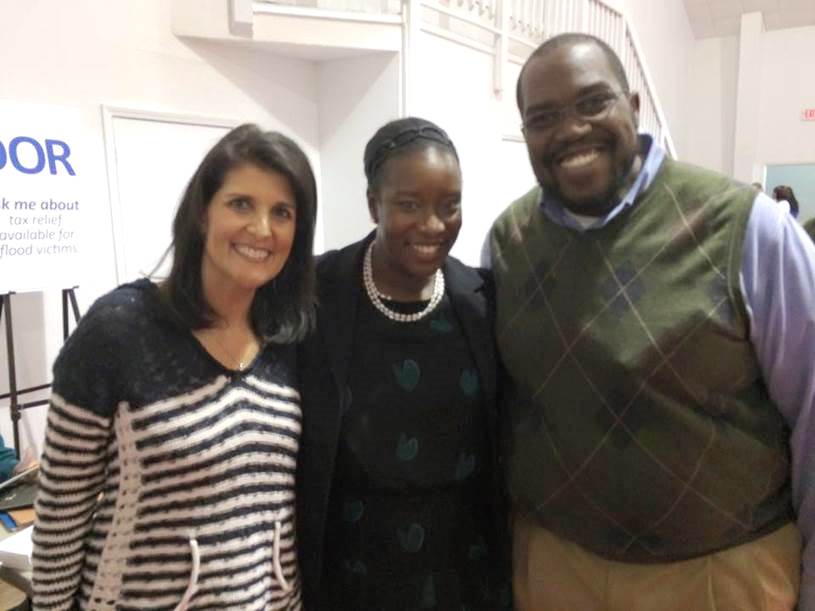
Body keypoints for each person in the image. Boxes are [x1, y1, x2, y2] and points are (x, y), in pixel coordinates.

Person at [486, 33, 815, 610]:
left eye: (593, 103)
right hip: (555, 569)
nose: (570, 130)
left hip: (719, 576)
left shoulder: (745, 228)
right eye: (544, 117)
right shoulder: (508, 243)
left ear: (633, 107)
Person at [31, 123, 318, 610]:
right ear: (203, 214)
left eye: (282, 212)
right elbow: (62, 514)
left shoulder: (290, 338)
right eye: (241, 204)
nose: (262, 229)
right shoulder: (120, 329)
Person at [297, 117, 511, 610]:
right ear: (374, 204)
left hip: (466, 569)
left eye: (449, 205)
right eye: (409, 205)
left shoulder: (483, 300)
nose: (433, 225)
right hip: (352, 573)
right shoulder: (317, 293)